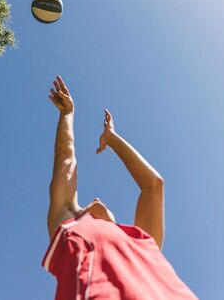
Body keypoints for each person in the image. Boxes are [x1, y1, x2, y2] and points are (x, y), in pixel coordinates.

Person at [42, 75, 199, 300]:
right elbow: (65, 157)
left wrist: (111, 138)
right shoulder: (71, 224)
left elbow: (154, 184)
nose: (95, 199)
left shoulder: (141, 241)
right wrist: (67, 114)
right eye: (85, 205)